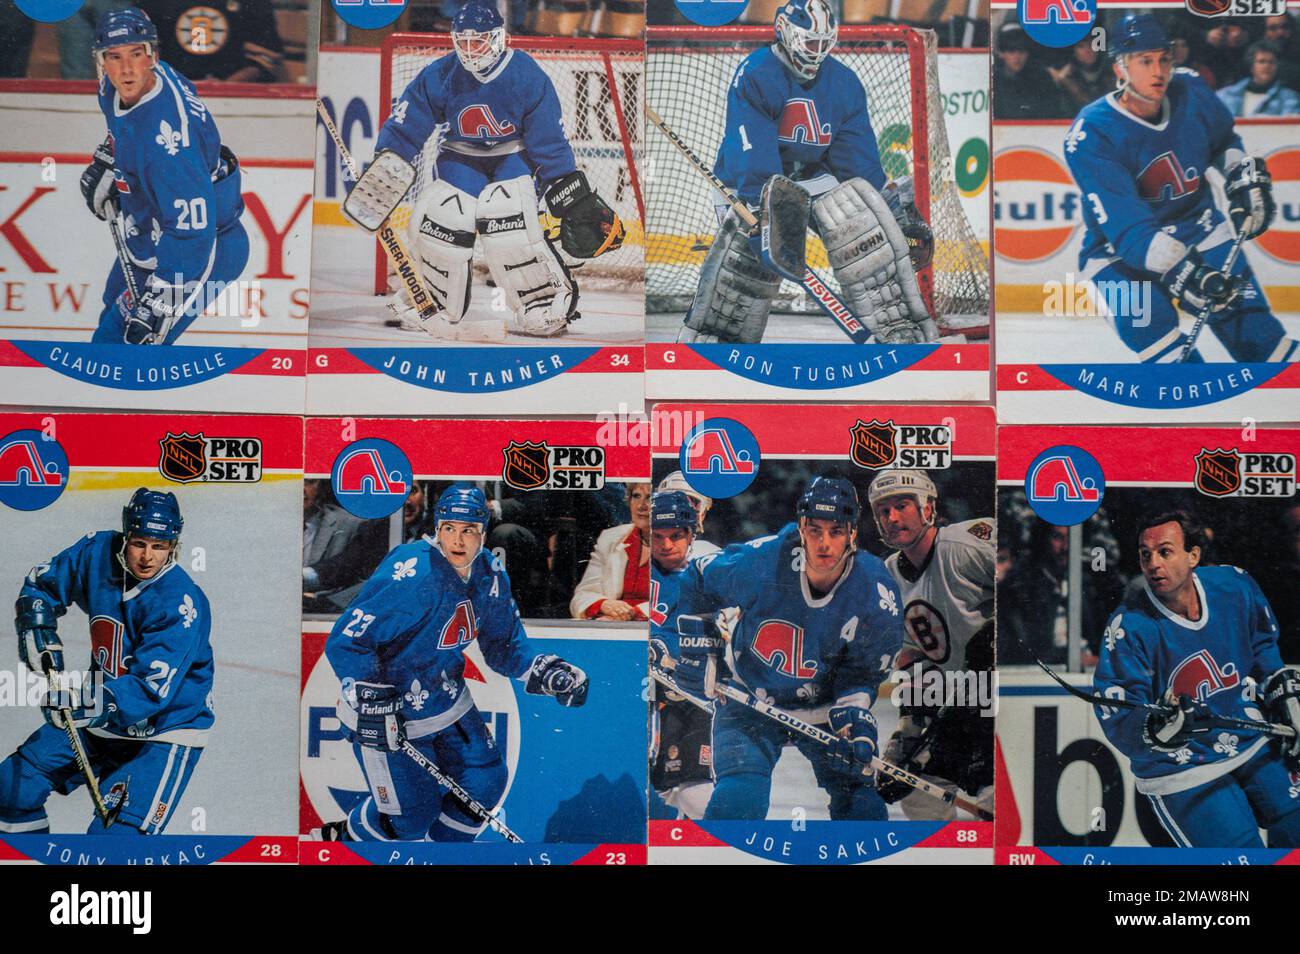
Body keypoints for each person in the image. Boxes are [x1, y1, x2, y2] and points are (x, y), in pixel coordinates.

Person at [316, 485, 589, 842]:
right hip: (388, 713)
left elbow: (503, 646)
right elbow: (347, 640)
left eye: (468, 531)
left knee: (485, 784)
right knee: (409, 819)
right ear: (438, 528)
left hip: (447, 706)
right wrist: (369, 696)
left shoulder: (490, 575)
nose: (458, 540)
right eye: (449, 528)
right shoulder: (412, 572)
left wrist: (546, 671)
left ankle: (443, 855)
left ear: (483, 534)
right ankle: (341, 838)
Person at [348, 0, 624, 340]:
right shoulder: (442, 73)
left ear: (498, 38)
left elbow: (548, 141)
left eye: (477, 41)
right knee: (441, 219)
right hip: (460, 158)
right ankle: (430, 300)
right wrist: (386, 169)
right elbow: (407, 126)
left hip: (513, 158)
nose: (469, 49)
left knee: (509, 221)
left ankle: (542, 303)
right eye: (462, 41)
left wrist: (564, 185)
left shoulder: (525, 74)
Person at [677, 0, 937, 347]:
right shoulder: (756, 73)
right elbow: (752, 151)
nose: (817, 52)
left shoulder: (844, 83)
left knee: (864, 232)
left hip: (812, 177)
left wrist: (889, 210)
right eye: (810, 42)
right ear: (785, 33)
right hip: (749, 182)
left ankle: (897, 330)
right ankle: (716, 337)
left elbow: (856, 160)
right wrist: (759, 210)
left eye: (824, 43)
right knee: (746, 266)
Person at [1063, 14, 1297, 364]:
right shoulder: (1091, 134)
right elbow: (1131, 232)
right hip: (1118, 257)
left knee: (1264, 345)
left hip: (1200, 229)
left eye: (1164, 58)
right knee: (1171, 360)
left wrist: (1239, 176)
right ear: (1120, 69)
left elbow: (1223, 140)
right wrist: (1188, 273)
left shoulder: (1191, 88)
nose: (1158, 71)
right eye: (1145, 61)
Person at [673, 477, 904, 821]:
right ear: (800, 528)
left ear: (853, 533)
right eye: (814, 530)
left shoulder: (876, 590)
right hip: (748, 696)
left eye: (836, 531)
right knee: (738, 799)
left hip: (824, 709)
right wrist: (701, 645)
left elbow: (863, 672)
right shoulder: (764, 560)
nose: (824, 544)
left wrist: (854, 714)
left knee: (861, 806)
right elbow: (696, 578)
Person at [0, 489, 213, 835]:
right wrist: (36, 630)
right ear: (126, 535)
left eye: (159, 547)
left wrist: (87, 702)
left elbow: (149, 689)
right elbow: (41, 587)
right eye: (139, 543)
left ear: (173, 546)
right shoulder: (96, 552)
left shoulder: (180, 604)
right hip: (102, 718)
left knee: (114, 845)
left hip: (162, 730)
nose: (147, 557)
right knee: (10, 789)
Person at [1093, 511, 1300, 848]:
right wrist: (1156, 728)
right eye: (1145, 554)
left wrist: (1281, 691)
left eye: (1164, 551)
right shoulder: (1128, 626)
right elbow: (1119, 712)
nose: (1153, 564)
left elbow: (1262, 645)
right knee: (1239, 858)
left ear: (1193, 555)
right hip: (1181, 768)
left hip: (1250, 738)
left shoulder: (1234, 585)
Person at [78, 6, 249, 346]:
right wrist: (110, 157)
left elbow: (193, 234)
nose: (126, 69)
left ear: (152, 55)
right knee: (108, 318)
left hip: (198, 252)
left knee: (122, 345)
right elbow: (127, 130)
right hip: (151, 231)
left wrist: (158, 305)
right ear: (101, 61)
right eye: (114, 56)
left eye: (135, 55)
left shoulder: (171, 148)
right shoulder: (115, 88)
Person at [867, 470, 995, 820]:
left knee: (996, 794)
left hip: (1005, 703)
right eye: (883, 510)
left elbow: (1024, 586)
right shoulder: (887, 577)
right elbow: (913, 660)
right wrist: (905, 739)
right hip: (960, 706)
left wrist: (998, 641)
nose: (892, 518)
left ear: (928, 508)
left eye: (902, 505)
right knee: (920, 792)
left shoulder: (964, 545)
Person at [647, 490, 715, 819]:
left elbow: (717, 632)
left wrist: (668, 650)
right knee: (656, 785)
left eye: (676, 535)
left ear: (692, 534)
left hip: (690, 695)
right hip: (646, 697)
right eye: (657, 536)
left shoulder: (707, 575)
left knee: (693, 784)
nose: (666, 544)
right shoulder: (637, 570)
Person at [570, 483, 651, 621]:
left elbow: (675, 603)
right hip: (609, 625)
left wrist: (630, 614)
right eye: (636, 496)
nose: (641, 506)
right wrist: (603, 605)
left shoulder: (681, 544)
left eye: (650, 498)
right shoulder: (611, 537)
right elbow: (582, 596)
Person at [1216, 41, 1300, 116]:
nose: (1267, 66)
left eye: (1271, 62)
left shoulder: (1289, 98)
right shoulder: (1224, 95)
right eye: (1261, 61)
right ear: (1251, 66)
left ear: (1277, 66)